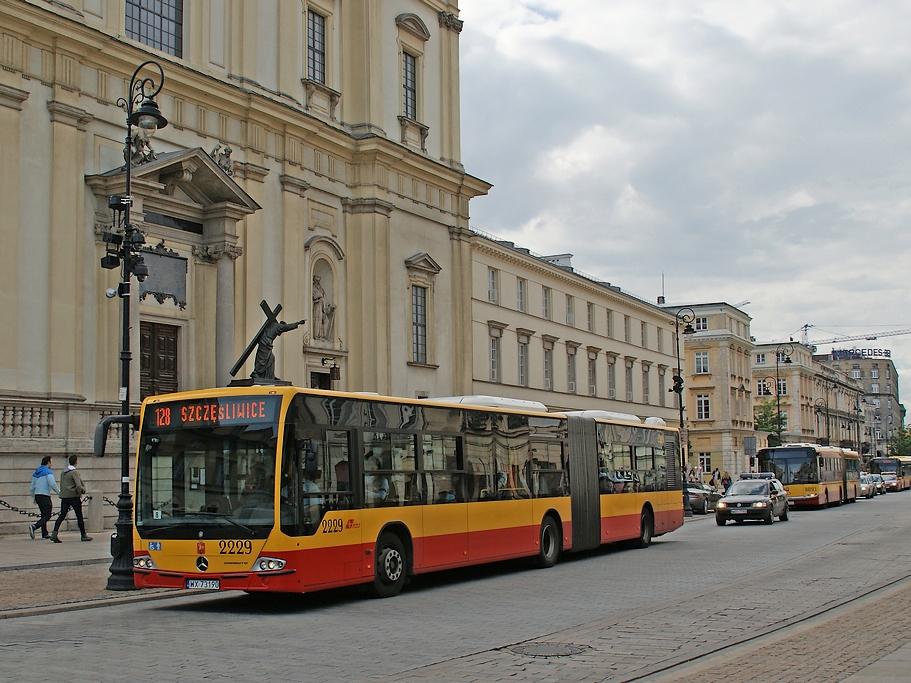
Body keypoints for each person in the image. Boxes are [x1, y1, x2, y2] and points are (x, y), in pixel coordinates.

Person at [49, 455, 92, 543]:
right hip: (73, 496)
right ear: (76, 462)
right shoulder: (74, 472)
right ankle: (83, 535)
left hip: (65, 496)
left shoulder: (63, 472)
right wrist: (80, 493)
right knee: (79, 515)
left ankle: (54, 532)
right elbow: (78, 485)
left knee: (62, 515)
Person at [29, 456, 59, 540]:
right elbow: (52, 484)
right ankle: (34, 526)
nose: (51, 464)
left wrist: (34, 497)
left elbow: (32, 487)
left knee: (43, 514)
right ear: (48, 462)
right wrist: (59, 493)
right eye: (51, 462)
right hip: (45, 495)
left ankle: (44, 533)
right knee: (47, 515)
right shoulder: (48, 472)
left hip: (37, 495)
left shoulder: (36, 472)